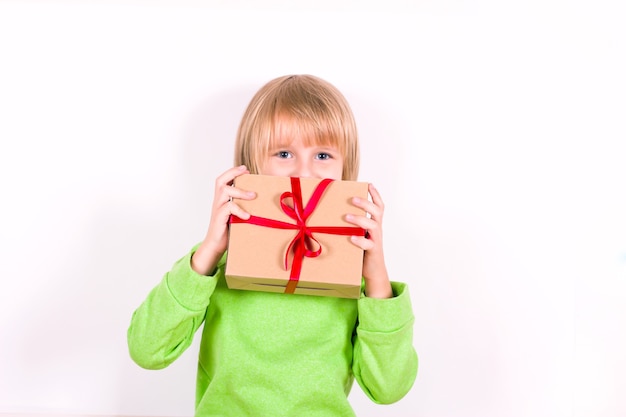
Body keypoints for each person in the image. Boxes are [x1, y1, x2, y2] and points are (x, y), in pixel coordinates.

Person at [127, 74, 418, 416]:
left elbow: (388, 389)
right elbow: (147, 350)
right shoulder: (217, 263)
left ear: (345, 169)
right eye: (284, 153)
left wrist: (377, 277)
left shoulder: (357, 279)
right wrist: (208, 252)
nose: (304, 173)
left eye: (323, 155)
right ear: (252, 164)